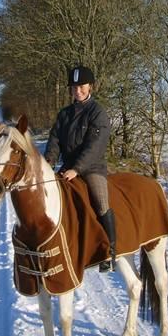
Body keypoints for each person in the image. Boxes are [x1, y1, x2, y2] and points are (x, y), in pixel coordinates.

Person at [44, 66, 116, 272]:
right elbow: (55, 138)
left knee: (101, 202)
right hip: (67, 168)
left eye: (82, 87)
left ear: (90, 86)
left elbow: (95, 146)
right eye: (74, 88)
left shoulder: (98, 113)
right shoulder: (64, 114)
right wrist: (49, 160)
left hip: (92, 168)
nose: (78, 91)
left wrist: (77, 168)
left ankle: (109, 252)